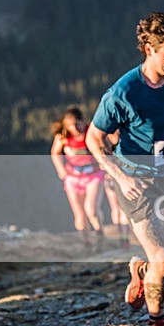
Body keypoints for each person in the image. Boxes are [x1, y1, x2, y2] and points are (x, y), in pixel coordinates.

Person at [86, 12, 164, 326]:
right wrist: (120, 176)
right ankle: (156, 322)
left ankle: (143, 269)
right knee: (163, 260)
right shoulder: (123, 93)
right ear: (149, 49)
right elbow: (92, 139)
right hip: (135, 181)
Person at [50, 106, 106, 251]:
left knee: (91, 209)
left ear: (82, 121)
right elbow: (55, 152)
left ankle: (99, 232)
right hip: (73, 177)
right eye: (69, 125)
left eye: (76, 124)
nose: (74, 128)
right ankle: (87, 243)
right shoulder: (62, 137)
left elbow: (104, 147)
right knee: (80, 216)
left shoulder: (90, 133)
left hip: (94, 174)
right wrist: (61, 170)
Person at [102, 131, 131, 248]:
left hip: (110, 178)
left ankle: (122, 236)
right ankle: (124, 237)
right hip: (121, 179)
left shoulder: (102, 141)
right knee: (121, 209)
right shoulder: (126, 140)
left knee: (116, 209)